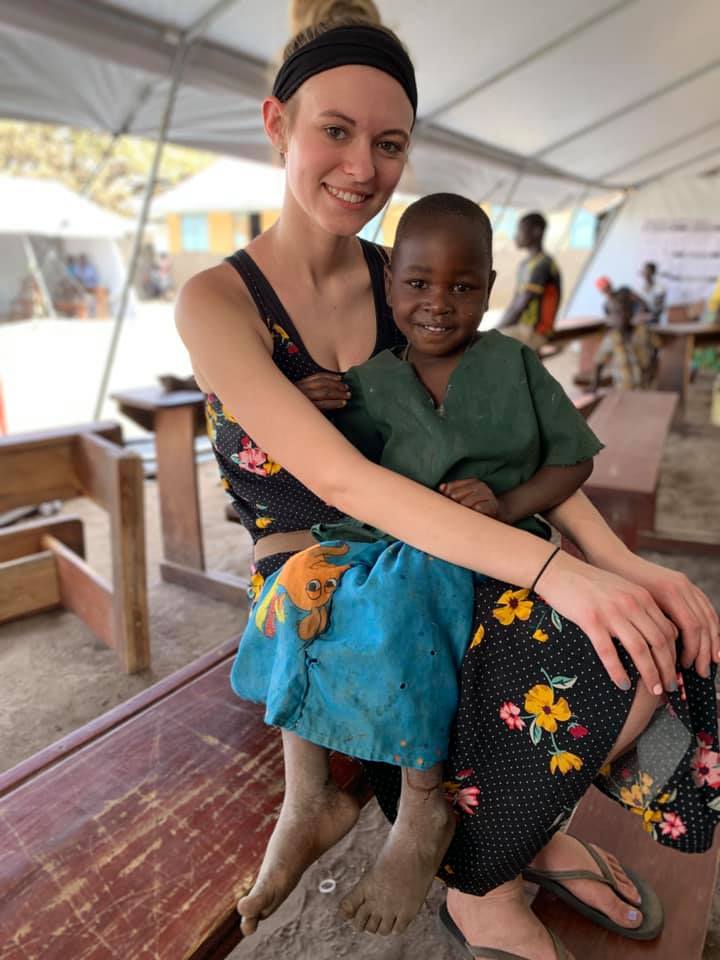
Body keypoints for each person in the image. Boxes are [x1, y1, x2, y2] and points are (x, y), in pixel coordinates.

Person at [177, 4, 719, 957]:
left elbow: (500, 433)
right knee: (589, 654)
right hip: (328, 590)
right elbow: (344, 482)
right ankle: (485, 875)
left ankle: (511, 838)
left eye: (388, 144)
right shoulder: (219, 301)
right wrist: (558, 573)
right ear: (278, 126)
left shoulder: (411, 275)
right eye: (334, 132)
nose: (361, 168)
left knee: (661, 629)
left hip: (446, 550)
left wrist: (619, 557)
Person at [232, 193, 603, 933]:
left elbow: (573, 462)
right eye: (419, 284)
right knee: (294, 588)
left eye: (463, 287)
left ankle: (423, 801)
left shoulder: (515, 365)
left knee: (407, 594)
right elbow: (331, 465)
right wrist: (306, 404)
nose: (439, 304)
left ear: (491, 289)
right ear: (390, 282)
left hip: (483, 550)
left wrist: (505, 500)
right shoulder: (374, 380)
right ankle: (308, 796)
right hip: (396, 541)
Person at [498, 212, 561, 350]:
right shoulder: (525, 265)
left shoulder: (543, 264)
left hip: (537, 331)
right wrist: (498, 326)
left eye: (520, 230)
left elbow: (521, 305)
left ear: (537, 232)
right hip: (522, 327)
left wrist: (495, 330)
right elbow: (515, 303)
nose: (516, 235)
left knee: (488, 346)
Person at [593, 287, 660, 391]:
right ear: (611, 317)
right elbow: (599, 362)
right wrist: (595, 385)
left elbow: (656, 346)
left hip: (644, 385)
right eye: (616, 313)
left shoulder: (643, 331)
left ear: (631, 313)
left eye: (624, 312)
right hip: (623, 388)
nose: (620, 317)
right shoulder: (611, 338)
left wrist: (653, 366)